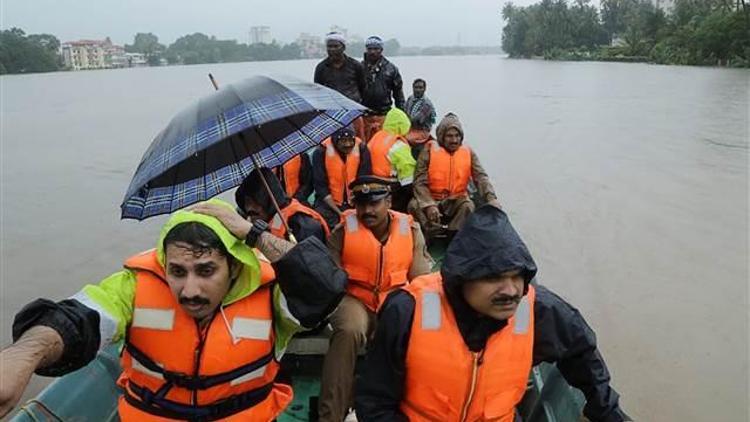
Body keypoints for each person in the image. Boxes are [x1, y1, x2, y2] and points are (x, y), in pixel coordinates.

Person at [0, 199, 347, 421]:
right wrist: (23, 357)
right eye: (178, 272)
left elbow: (326, 288)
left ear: (234, 266)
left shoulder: (270, 296)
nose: (190, 290)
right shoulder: (135, 287)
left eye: (206, 270)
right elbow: (77, 319)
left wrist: (251, 232)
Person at [355, 204, 632, 422]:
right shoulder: (408, 310)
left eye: (518, 276)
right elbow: (374, 401)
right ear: (462, 279)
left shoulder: (537, 310)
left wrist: (607, 412)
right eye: (494, 277)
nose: (511, 290)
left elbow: (581, 352)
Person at [319, 175, 433, 422]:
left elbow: (422, 281)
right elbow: (330, 278)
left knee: (407, 334)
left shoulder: (411, 230)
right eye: (361, 204)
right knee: (349, 331)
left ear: (389, 202)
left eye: (374, 203)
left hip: (394, 301)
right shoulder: (342, 232)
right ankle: (331, 415)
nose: (367, 210)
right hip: (354, 298)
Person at [409, 112, 498, 240]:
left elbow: (481, 177)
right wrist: (429, 204)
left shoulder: (468, 152)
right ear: (442, 137)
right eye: (449, 136)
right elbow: (419, 181)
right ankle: (428, 236)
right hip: (433, 199)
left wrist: (491, 198)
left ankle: (454, 236)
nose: (454, 140)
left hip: (456, 200)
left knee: (468, 206)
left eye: (457, 136)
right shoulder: (428, 150)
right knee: (413, 205)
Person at [236, 167, 329, 243]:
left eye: (253, 213)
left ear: (268, 200)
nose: (250, 219)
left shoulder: (303, 225)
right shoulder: (277, 218)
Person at [312, 126, 372, 230]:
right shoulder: (320, 151)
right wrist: (340, 213)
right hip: (329, 204)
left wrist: (354, 207)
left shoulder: (362, 148)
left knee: (359, 225)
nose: (348, 144)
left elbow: (364, 179)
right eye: (343, 141)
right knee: (320, 225)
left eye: (350, 140)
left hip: (355, 200)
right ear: (335, 140)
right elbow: (320, 187)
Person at [314, 31, 366, 140]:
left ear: (343, 47)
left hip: (353, 112)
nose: (332, 49)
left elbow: (363, 88)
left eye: (335, 46)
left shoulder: (356, 66)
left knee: (357, 143)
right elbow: (317, 92)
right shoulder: (321, 68)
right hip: (331, 114)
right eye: (329, 46)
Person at [367, 107, 416, 213]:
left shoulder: (375, 138)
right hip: (391, 189)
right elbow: (408, 174)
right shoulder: (398, 145)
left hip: (371, 185)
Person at [361, 36, 405, 142]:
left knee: (384, 145)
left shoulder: (391, 69)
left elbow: (398, 94)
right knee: (364, 146)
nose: (372, 52)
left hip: (384, 115)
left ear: (381, 50)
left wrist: (402, 114)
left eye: (376, 49)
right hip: (364, 116)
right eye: (370, 49)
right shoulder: (359, 67)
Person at [404, 78, 437, 159]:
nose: (418, 90)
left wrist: (406, 120)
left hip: (421, 131)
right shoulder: (410, 99)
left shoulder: (427, 104)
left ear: (424, 89)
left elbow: (417, 120)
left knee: (405, 140)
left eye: (420, 87)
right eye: (416, 87)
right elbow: (404, 112)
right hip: (410, 129)